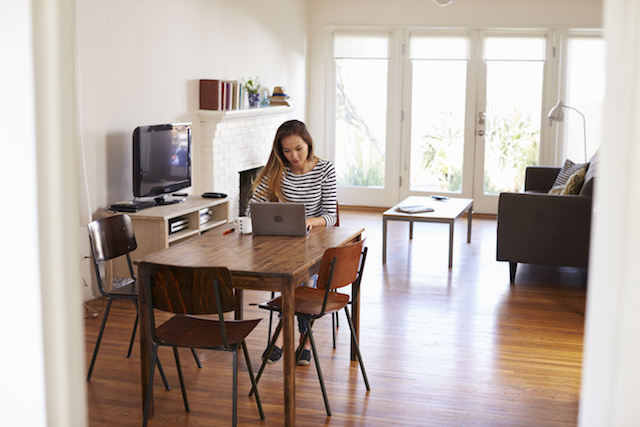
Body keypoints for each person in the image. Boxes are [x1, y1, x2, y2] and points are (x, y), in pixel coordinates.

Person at [248, 119, 337, 366]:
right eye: (286, 151)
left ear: (308, 143)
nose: (293, 156)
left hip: (317, 242)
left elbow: (331, 215)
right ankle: (299, 341)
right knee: (294, 282)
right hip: (281, 243)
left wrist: (307, 221)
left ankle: (291, 339)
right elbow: (252, 208)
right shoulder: (276, 170)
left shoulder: (325, 169)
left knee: (305, 281)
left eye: (298, 148)